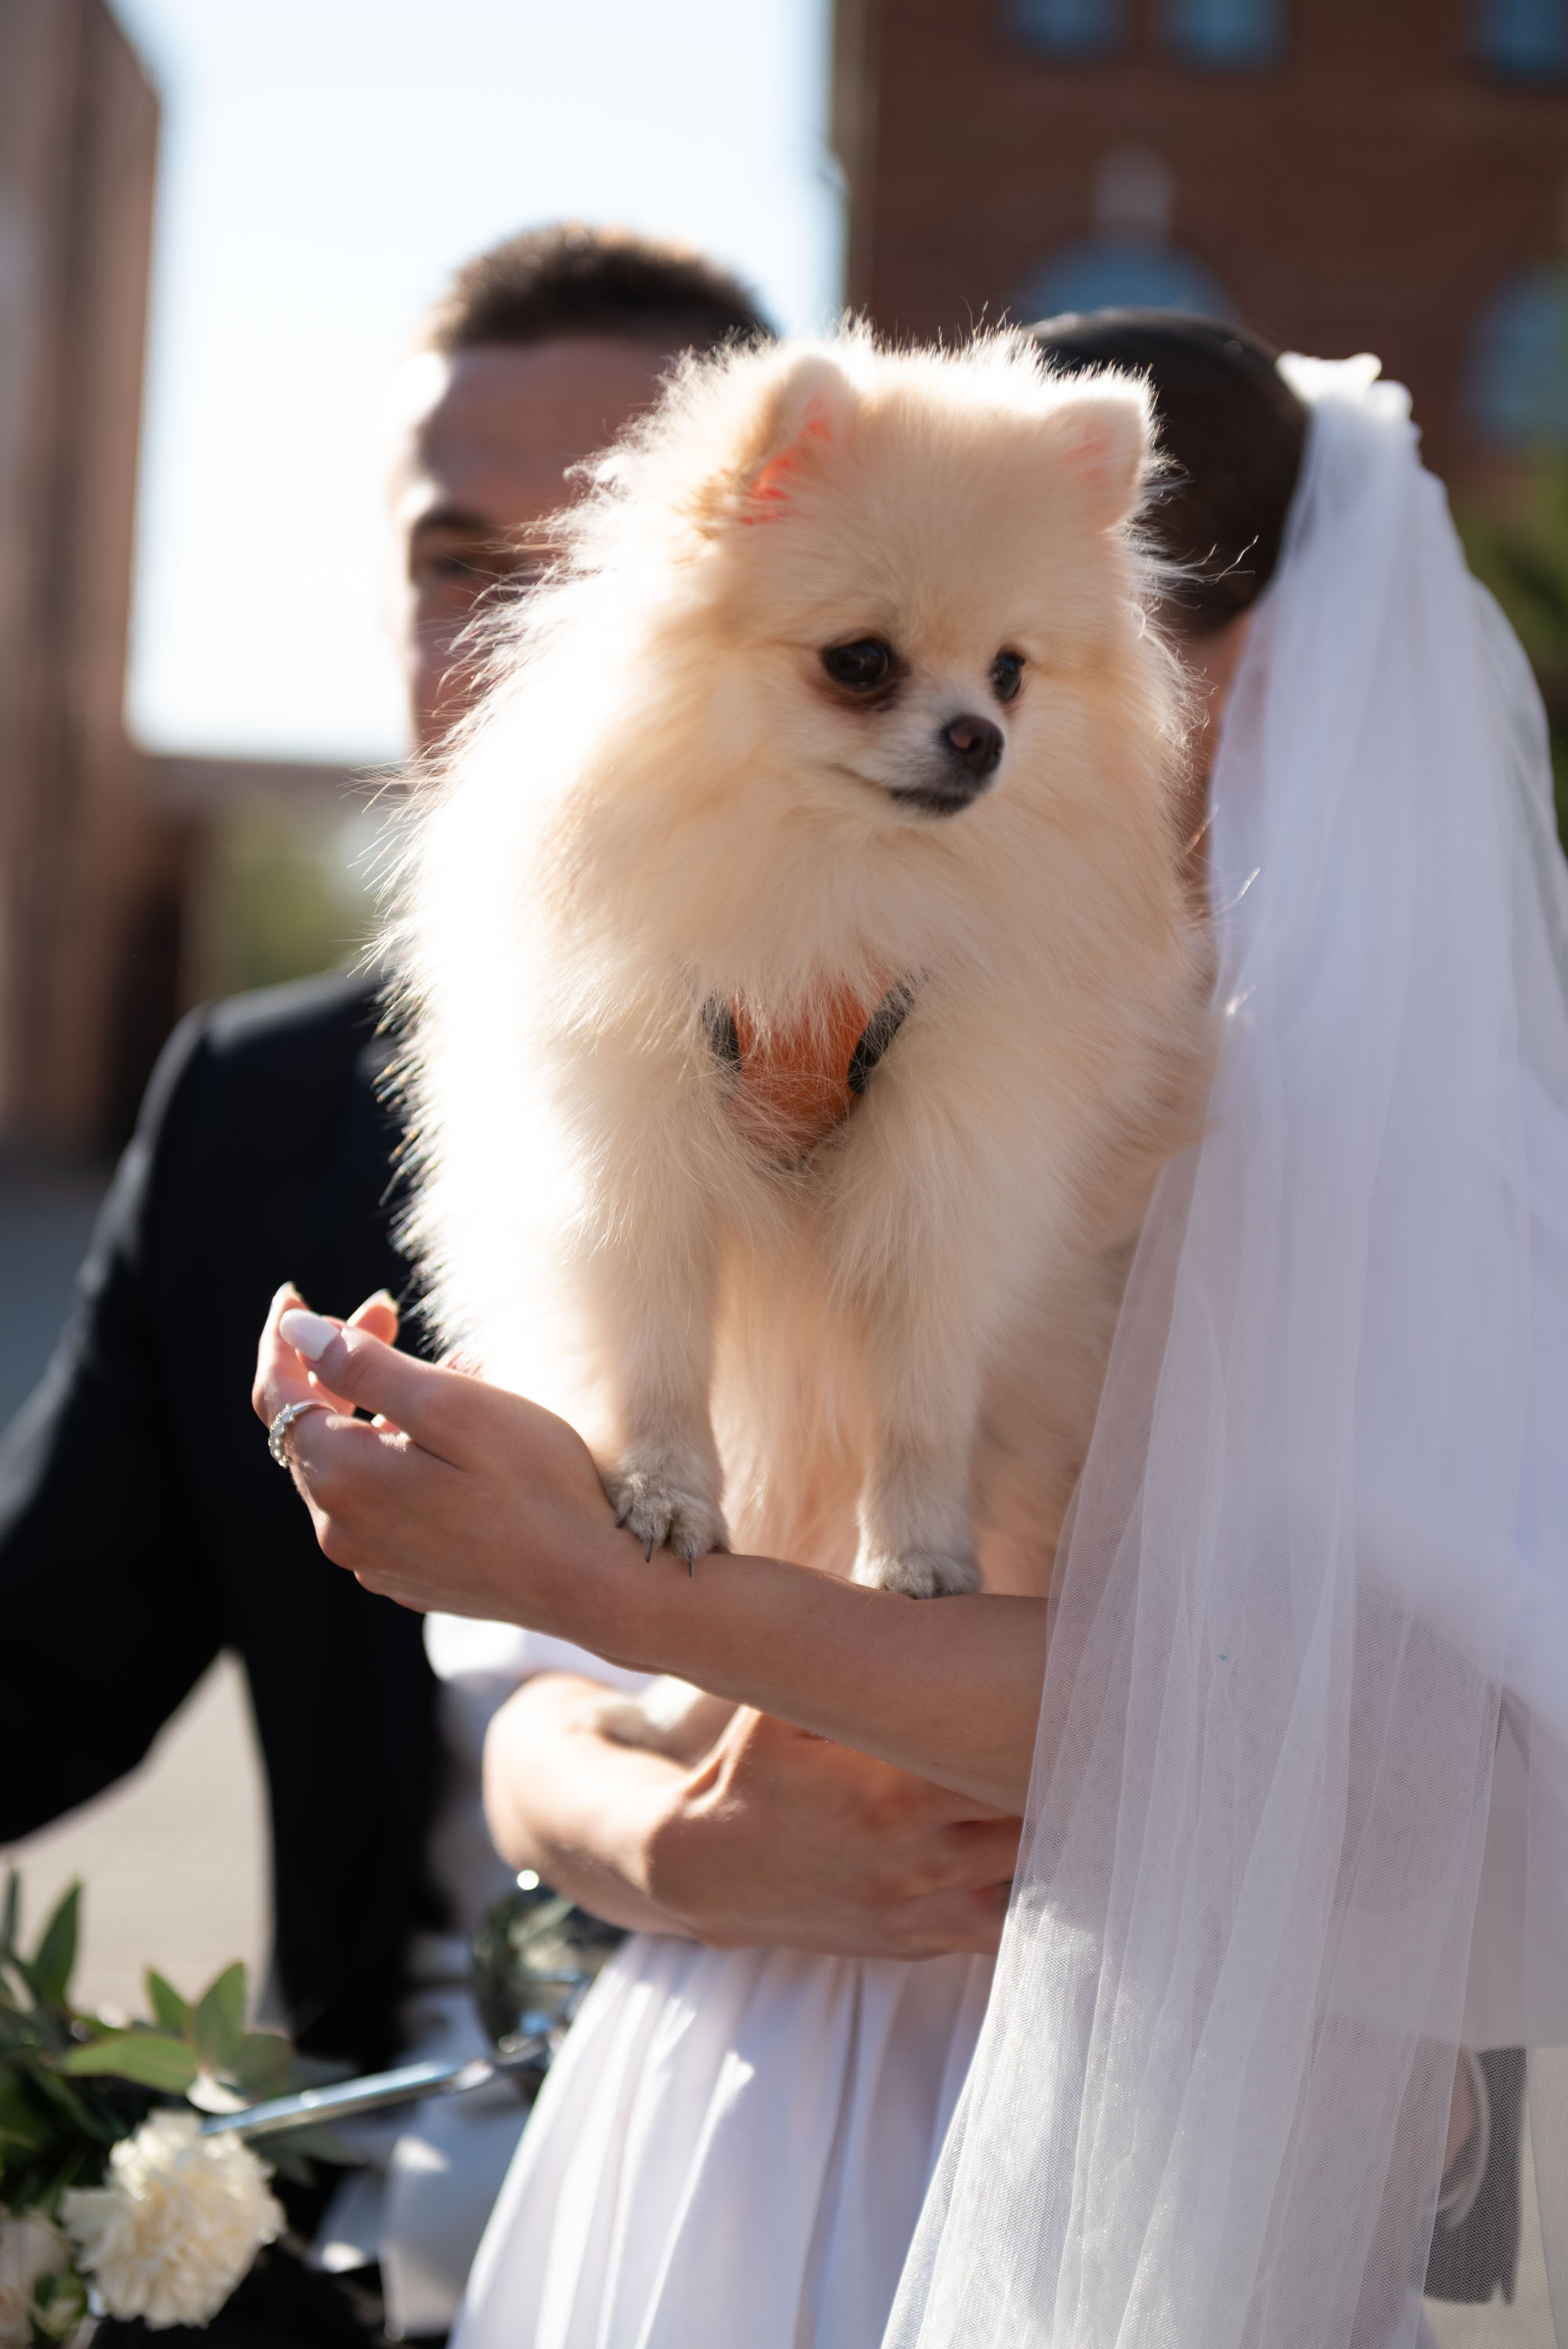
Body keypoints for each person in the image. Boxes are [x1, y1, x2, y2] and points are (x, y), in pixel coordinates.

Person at [254, 322, 1568, 2348]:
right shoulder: (752, 1000)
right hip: (705, 2082)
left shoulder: (1422, 1146)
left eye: (1028, 671)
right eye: (881, 662)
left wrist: (642, 1595)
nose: (975, 734)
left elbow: (1437, 1814)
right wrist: (674, 1854)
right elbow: (524, 1714)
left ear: (1216, 663)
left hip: (1115, 2146)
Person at [0, 223, 773, 2341]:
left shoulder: (1030, 1115)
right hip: (376, 2231)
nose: (497, 643)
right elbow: (42, 1662)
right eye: (452, 564)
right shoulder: (255, 1107)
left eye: (587, 569)